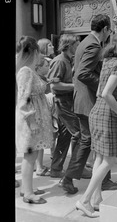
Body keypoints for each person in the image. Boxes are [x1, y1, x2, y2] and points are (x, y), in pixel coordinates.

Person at [75, 31, 117, 217]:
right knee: (108, 160)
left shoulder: (109, 61)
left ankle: (96, 199)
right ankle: (85, 201)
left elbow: (103, 91)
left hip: (97, 112)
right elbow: (107, 93)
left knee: (100, 159)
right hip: (106, 114)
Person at [73, 14, 117, 191]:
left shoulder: (85, 42)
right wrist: (103, 85)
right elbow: (82, 73)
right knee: (98, 145)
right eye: (109, 30)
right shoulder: (93, 45)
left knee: (92, 144)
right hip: (89, 101)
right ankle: (75, 178)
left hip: (82, 100)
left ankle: (91, 181)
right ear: (105, 29)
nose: (109, 34)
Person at [16, 36, 54, 204]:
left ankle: (26, 188)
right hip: (30, 121)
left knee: (30, 156)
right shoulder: (25, 71)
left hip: (33, 119)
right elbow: (24, 100)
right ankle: (28, 193)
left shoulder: (28, 70)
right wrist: (32, 121)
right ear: (33, 52)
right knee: (30, 156)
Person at [48, 34, 82, 193]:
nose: (79, 46)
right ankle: (75, 169)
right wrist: (74, 86)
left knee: (66, 135)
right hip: (64, 103)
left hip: (67, 102)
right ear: (68, 45)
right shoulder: (60, 61)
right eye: (77, 43)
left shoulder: (68, 60)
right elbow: (54, 87)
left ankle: (56, 168)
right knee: (79, 135)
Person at [34, 55, 53, 176]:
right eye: (46, 66)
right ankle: (39, 167)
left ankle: (39, 165)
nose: (49, 68)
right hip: (37, 113)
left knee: (39, 142)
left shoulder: (40, 77)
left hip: (40, 112)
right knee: (38, 141)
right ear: (39, 67)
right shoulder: (34, 78)